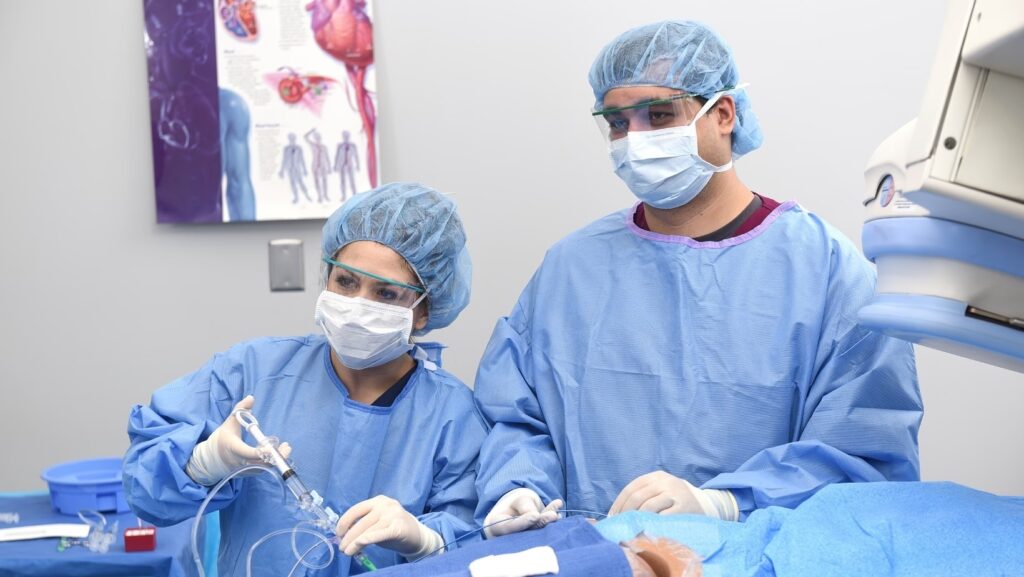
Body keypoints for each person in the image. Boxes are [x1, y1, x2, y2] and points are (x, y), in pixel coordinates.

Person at [473, 20, 922, 537]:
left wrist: (723, 505)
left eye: (659, 115)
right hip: (592, 558)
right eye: (617, 123)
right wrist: (518, 488)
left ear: (723, 113)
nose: (635, 140)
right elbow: (515, 417)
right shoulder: (570, 270)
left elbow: (867, 457)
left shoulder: (828, 272)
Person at [123, 182, 485, 576]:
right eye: (346, 282)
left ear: (424, 310)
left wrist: (426, 541)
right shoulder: (252, 371)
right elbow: (144, 492)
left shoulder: (452, 417)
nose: (356, 307)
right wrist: (203, 462)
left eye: (386, 294)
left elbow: (479, 546)